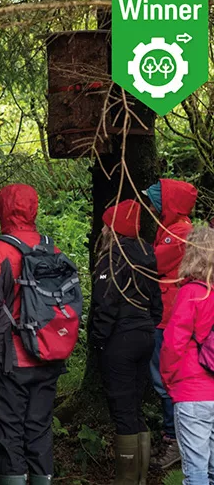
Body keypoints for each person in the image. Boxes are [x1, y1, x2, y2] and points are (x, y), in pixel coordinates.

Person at [0, 183, 66, 485]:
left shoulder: (0, 249)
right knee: (39, 431)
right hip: (48, 355)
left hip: (9, 360)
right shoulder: (52, 248)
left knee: (7, 434)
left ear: (2, 209)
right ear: (33, 208)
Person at [89, 200, 162, 484]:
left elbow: (104, 304)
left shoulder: (112, 258)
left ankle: (126, 480)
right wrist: (147, 325)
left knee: (122, 409)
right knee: (134, 406)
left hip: (121, 339)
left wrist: (98, 340)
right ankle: (140, 479)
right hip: (144, 335)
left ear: (113, 228)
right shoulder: (147, 254)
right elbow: (156, 303)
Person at [143, 179, 197, 468]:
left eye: (154, 202)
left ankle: (174, 440)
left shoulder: (178, 234)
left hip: (168, 318)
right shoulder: (171, 230)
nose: (149, 208)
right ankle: (175, 438)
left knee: (165, 380)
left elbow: (150, 264)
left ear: (168, 205)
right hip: (165, 314)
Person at [160, 226, 214, 485]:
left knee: (196, 471)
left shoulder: (191, 292)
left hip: (192, 390)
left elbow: (173, 344)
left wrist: (168, 381)